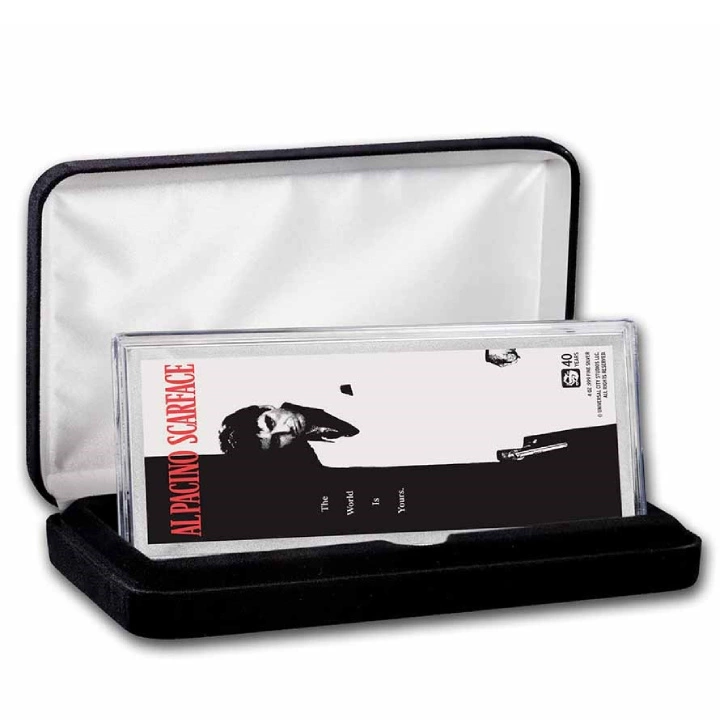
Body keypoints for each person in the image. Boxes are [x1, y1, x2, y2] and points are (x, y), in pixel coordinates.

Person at [219, 402, 359, 466]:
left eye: (271, 423)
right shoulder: (317, 461)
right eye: (276, 441)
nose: (285, 430)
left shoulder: (324, 387)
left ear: (266, 407)